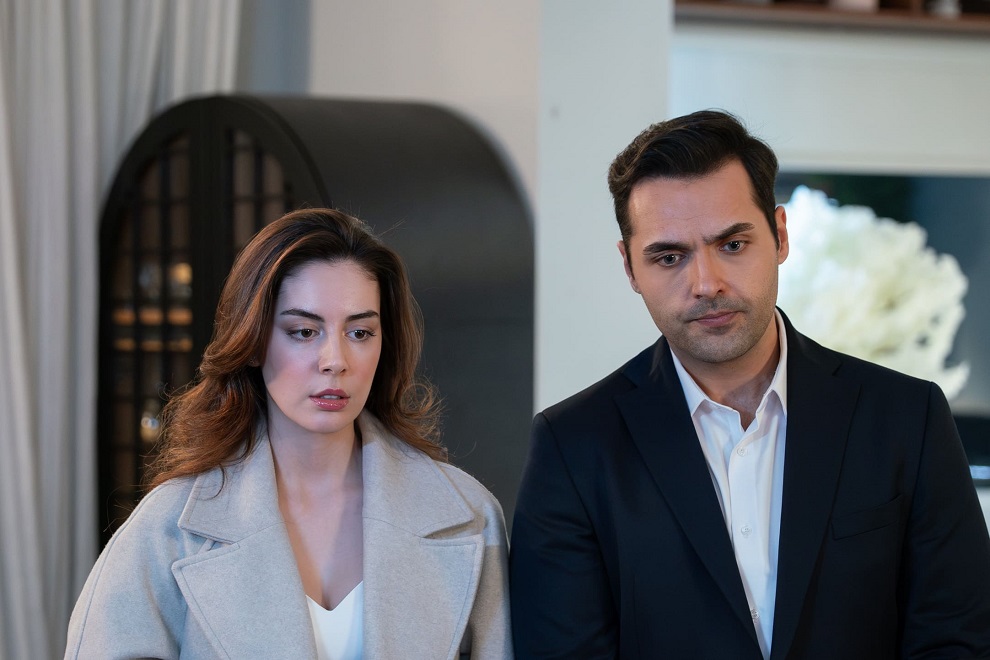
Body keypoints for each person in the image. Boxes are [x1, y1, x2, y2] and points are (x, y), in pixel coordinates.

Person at [509, 110, 990, 659]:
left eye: (732, 245)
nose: (706, 284)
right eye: (670, 256)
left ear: (780, 235)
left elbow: (960, 640)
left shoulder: (907, 417)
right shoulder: (573, 448)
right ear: (630, 268)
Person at [66, 208, 512, 659]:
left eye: (360, 332)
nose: (335, 360)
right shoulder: (167, 528)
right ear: (253, 342)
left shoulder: (471, 518)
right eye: (303, 331)